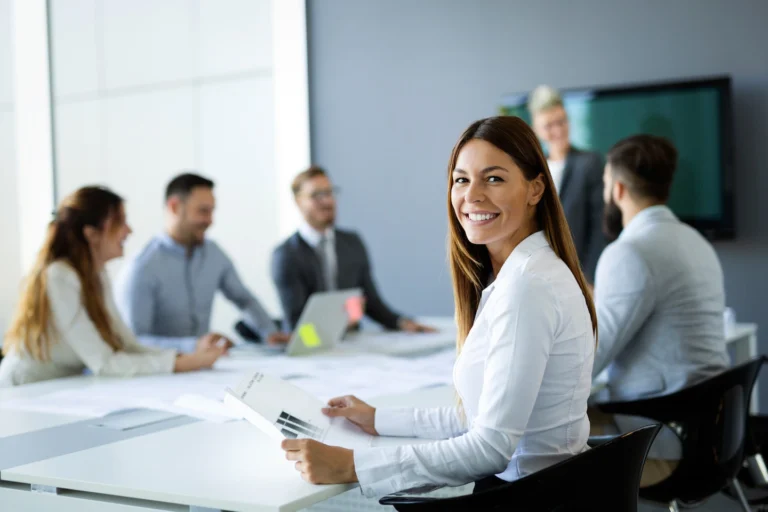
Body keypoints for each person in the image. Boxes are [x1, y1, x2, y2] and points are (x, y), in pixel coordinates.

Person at [278, 116, 597, 496]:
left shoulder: (529, 285)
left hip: (531, 497)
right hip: (549, 487)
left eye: (493, 178)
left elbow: (490, 448)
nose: (472, 195)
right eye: (461, 179)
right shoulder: (522, 274)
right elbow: (478, 419)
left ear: (535, 189)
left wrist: (351, 464)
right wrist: (377, 418)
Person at [589, 134, 729, 486]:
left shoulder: (630, 252)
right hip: (714, 435)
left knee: (539, 438)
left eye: (606, 185)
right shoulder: (696, 241)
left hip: (664, 443)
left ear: (617, 190)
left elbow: (587, 361)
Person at [0, 187, 226, 387]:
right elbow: (104, 363)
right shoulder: (59, 276)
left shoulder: (97, 274)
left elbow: (127, 344)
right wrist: (183, 364)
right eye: (120, 222)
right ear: (91, 234)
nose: (129, 231)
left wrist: (185, 356)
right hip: (25, 389)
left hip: (61, 388)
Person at [115, 173, 290, 352]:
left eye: (212, 211)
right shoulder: (143, 267)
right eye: (203, 211)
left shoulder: (213, 253)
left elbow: (244, 300)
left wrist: (269, 333)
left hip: (205, 369)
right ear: (174, 207)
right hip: (162, 372)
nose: (210, 221)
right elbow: (133, 341)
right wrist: (193, 346)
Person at [271, 166, 434, 332]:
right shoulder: (286, 256)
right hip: (312, 347)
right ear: (298, 201)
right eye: (317, 195)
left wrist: (401, 323)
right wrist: (329, 334)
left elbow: (371, 301)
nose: (327, 201)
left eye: (329, 192)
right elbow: (296, 325)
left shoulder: (351, 243)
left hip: (353, 342)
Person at [529, 85, 607, 282]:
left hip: (578, 274)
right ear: (536, 130)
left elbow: (600, 226)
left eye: (561, 122)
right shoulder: (531, 171)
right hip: (539, 273)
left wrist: (589, 278)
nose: (558, 130)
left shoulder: (589, 163)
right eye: (549, 125)